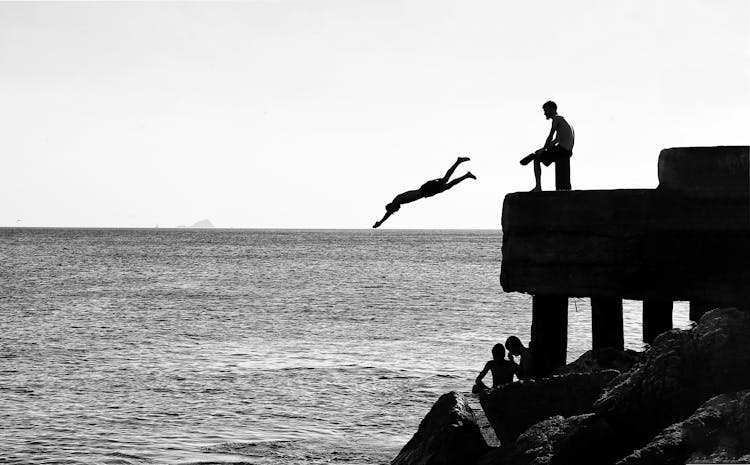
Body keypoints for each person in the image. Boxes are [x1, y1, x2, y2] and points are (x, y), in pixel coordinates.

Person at [372, 157, 476, 228]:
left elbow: (388, 213)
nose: (396, 211)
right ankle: (465, 173)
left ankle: (461, 166)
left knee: (446, 182)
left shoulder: (396, 201)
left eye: (394, 210)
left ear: (391, 207)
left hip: (426, 190)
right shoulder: (398, 201)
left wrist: (380, 223)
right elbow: (389, 212)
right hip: (426, 191)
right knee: (447, 183)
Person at [519, 101, 575, 191]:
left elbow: (550, 137)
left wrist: (542, 151)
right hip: (566, 150)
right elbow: (556, 140)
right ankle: (535, 154)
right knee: (539, 153)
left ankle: (538, 187)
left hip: (562, 150)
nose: (545, 113)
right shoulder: (563, 120)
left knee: (537, 159)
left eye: (546, 110)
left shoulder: (556, 119)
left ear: (552, 109)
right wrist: (542, 149)